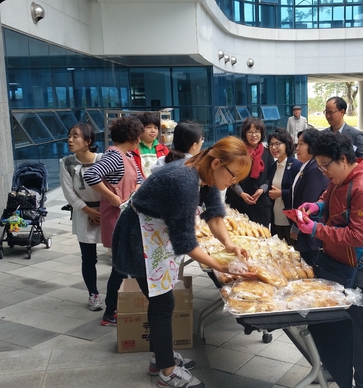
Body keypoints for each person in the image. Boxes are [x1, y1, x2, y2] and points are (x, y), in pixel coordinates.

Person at [111, 136, 253, 388]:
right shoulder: (184, 181)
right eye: (232, 176)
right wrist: (220, 266)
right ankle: (167, 372)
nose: (232, 183)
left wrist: (229, 244)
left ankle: (160, 358)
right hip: (139, 238)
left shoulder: (203, 172)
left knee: (160, 299)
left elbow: (214, 213)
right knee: (163, 302)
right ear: (217, 163)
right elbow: (185, 242)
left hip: (153, 237)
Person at [297, 131, 363, 388]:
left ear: (344, 159)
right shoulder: (340, 178)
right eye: (320, 166)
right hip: (335, 264)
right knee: (334, 327)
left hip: (360, 271)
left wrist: (315, 230)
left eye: (326, 166)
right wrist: (317, 207)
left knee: (358, 333)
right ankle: (335, 369)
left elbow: (358, 236)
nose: (323, 172)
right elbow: (330, 200)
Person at [83, 116, 144, 326]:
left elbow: (140, 179)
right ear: (132, 136)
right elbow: (91, 176)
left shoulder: (126, 155)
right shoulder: (115, 156)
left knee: (122, 266)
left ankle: (114, 308)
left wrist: (135, 191)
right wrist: (112, 197)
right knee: (120, 267)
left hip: (126, 216)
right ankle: (110, 312)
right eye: (138, 135)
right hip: (117, 218)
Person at [59, 123, 104, 311]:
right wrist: (89, 211)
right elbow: (69, 193)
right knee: (88, 257)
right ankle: (93, 294)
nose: (70, 139)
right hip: (83, 213)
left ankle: (122, 291)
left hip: (106, 212)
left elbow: (113, 187)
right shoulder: (66, 163)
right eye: (70, 135)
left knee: (119, 255)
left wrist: (102, 211)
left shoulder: (103, 159)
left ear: (88, 141)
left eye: (76, 136)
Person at [225, 117, 275, 227]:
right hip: (239, 203)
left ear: (261, 133)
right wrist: (241, 193)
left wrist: (262, 189)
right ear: (244, 133)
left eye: (257, 132)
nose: (254, 135)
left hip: (261, 204)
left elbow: (271, 176)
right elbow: (230, 175)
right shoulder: (238, 153)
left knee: (261, 237)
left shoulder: (268, 153)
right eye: (250, 132)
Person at [291, 128, 329, 264]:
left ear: (312, 146)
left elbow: (309, 201)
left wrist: (295, 228)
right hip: (305, 230)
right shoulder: (306, 166)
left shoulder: (314, 169)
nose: (297, 148)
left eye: (301, 144)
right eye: (297, 144)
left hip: (310, 233)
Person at [267, 128, 302, 245]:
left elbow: (300, 192)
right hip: (276, 217)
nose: (273, 148)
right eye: (271, 144)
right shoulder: (273, 166)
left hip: (290, 220)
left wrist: (282, 193)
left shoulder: (296, 165)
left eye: (277, 144)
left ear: (286, 144)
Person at [321, 97, 363, 167]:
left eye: (331, 112)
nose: (328, 116)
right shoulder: (322, 135)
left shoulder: (355, 134)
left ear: (342, 112)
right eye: (326, 112)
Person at [130, 112, 170, 179]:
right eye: (149, 127)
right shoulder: (131, 149)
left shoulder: (164, 149)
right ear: (139, 128)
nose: (153, 131)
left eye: (156, 128)